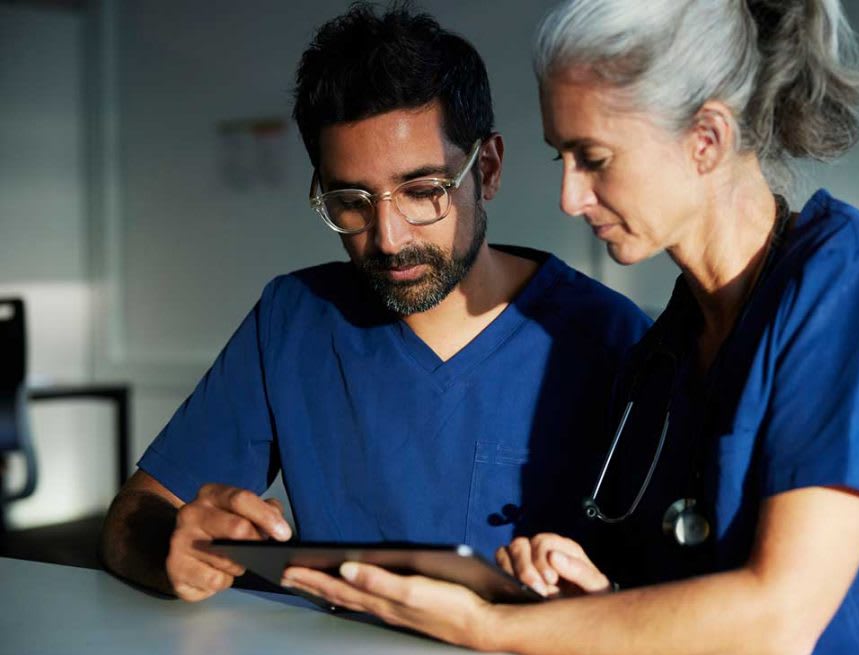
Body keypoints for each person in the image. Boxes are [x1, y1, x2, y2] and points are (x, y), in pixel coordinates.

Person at [277, 0, 859, 655]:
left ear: (706, 139)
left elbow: (780, 616)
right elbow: (694, 592)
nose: (569, 197)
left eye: (593, 159)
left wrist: (489, 624)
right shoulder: (664, 350)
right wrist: (595, 595)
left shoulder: (852, 276)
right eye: (560, 157)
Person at [99, 4, 649, 603]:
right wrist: (174, 547)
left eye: (421, 191)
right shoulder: (294, 320)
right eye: (351, 201)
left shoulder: (612, 340)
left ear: (486, 168)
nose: (388, 238)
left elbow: (665, 588)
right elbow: (135, 514)